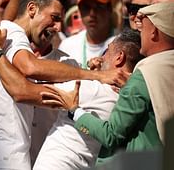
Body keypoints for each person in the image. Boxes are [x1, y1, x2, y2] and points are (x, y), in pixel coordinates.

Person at [0, 0, 128, 170]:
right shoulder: (11, 38)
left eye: (60, 20)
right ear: (32, 10)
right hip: (3, 158)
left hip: (28, 156)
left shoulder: (64, 61)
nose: (58, 27)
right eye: (54, 17)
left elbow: (10, 20)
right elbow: (25, 78)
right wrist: (97, 76)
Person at [46, 2, 174, 155]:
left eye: (143, 28)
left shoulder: (144, 75)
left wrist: (75, 110)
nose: (140, 33)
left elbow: (111, 136)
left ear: (153, 31)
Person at [32, 29, 143, 170]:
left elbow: (22, 91)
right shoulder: (129, 100)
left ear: (119, 57)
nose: (101, 58)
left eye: (107, 51)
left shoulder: (90, 89)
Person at [59, 0, 116, 69]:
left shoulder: (121, 43)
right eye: (86, 7)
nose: (92, 13)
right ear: (79, 11)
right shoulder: (67, 45)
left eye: (98, 7)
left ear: (109, 9)